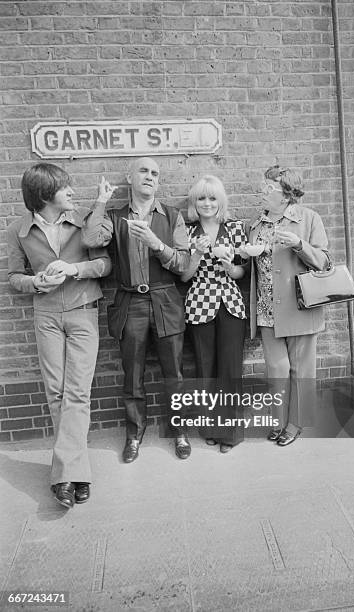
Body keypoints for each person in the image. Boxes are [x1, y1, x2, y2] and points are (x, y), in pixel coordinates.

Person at [7, 163, 112, 508]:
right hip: (46, 315)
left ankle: (64, 475)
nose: (71, 191)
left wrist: (74, 268)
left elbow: (104, 265)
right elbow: (12, 277)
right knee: (56, 393)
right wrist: (34, 282)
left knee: (77, 392)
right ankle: (77, 473)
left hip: (83, 311)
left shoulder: (84, 219)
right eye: (64, 187)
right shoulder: (19, 231)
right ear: (43, 195)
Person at [81, 157, 192, 462]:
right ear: (129, 178)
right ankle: (134, 435)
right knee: (132, 375)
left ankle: (180, 431)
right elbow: (90, 238)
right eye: (143, 171)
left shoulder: (172, 217)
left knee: (175, 374)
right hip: (131, 302)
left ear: (159, 182)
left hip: (166, 300)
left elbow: (184, 266)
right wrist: (101, 201)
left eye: (155, 173)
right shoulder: (115, 217)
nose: (149, 176)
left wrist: (157, 244)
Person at [246, 165, 330, 446]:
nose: (262, 191)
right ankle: (278, 420)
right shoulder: (255, 224)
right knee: (277, 369)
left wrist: (298, 244)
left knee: (301, 371)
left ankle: (295, 424)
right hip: (267, 309)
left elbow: (324, 262)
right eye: (263, 186)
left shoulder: (308, 219)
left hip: (299, 308)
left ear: (285, 195)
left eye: (268, 188)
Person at [181, 175, 247, 453]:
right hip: (199, 304)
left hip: (230, 303)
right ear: (194, 203)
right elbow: (183, 276)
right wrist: (195, 255)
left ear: (220, 201)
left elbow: (243, 272)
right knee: (205, 369)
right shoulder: (186, 231)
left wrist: (230, 267)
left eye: (212, 198)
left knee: (230, 369)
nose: (207, 203)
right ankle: (210, 428)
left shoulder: (235, 228)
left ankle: (230, 434)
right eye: (201, 198)